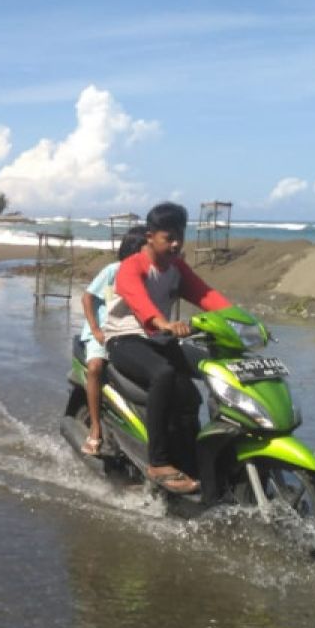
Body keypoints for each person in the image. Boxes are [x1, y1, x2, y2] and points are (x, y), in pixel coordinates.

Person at [104, 202, 231, 494]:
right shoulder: (132, 265)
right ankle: (158, 462)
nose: (175, 244)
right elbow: (138, 299)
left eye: (180, 237)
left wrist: (242, 320)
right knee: (163, 374)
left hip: (159, 339)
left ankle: (195, 458)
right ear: (150, 236)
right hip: (125, 338)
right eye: (168, 238)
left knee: (199, 385)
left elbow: (206, 294)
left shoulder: (177, 268)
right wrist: (162, 322)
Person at [79, 225, 147, 455]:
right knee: (96, 366)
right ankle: (95, 429)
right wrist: (96, 329)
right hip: (104, 332)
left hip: (130, 333)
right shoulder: (113, 271)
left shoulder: (150, 276)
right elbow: (87, 298)